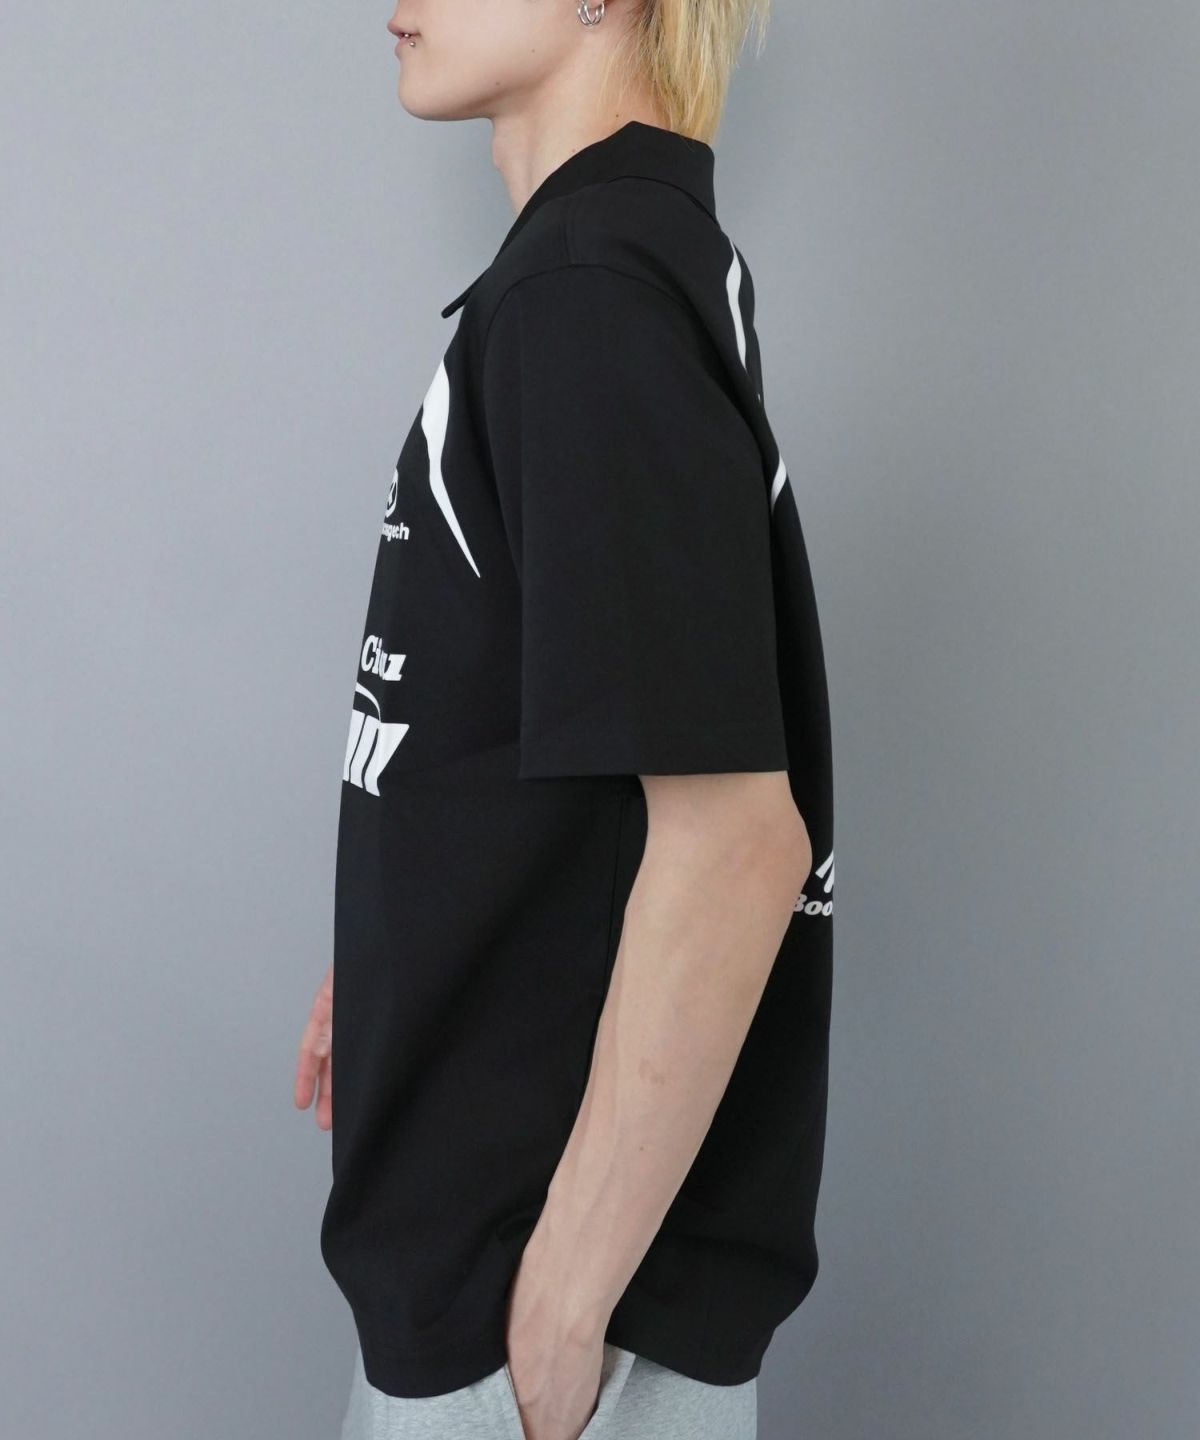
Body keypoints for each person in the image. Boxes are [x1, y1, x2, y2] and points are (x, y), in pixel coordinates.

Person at [294, 0, 835, 1435]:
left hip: (537, 1333)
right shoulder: (608, 276)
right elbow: (576, 735)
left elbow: (735, 847)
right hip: (517, 1297)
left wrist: (558, 1315)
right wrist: (410, 942)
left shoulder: (586, 297)